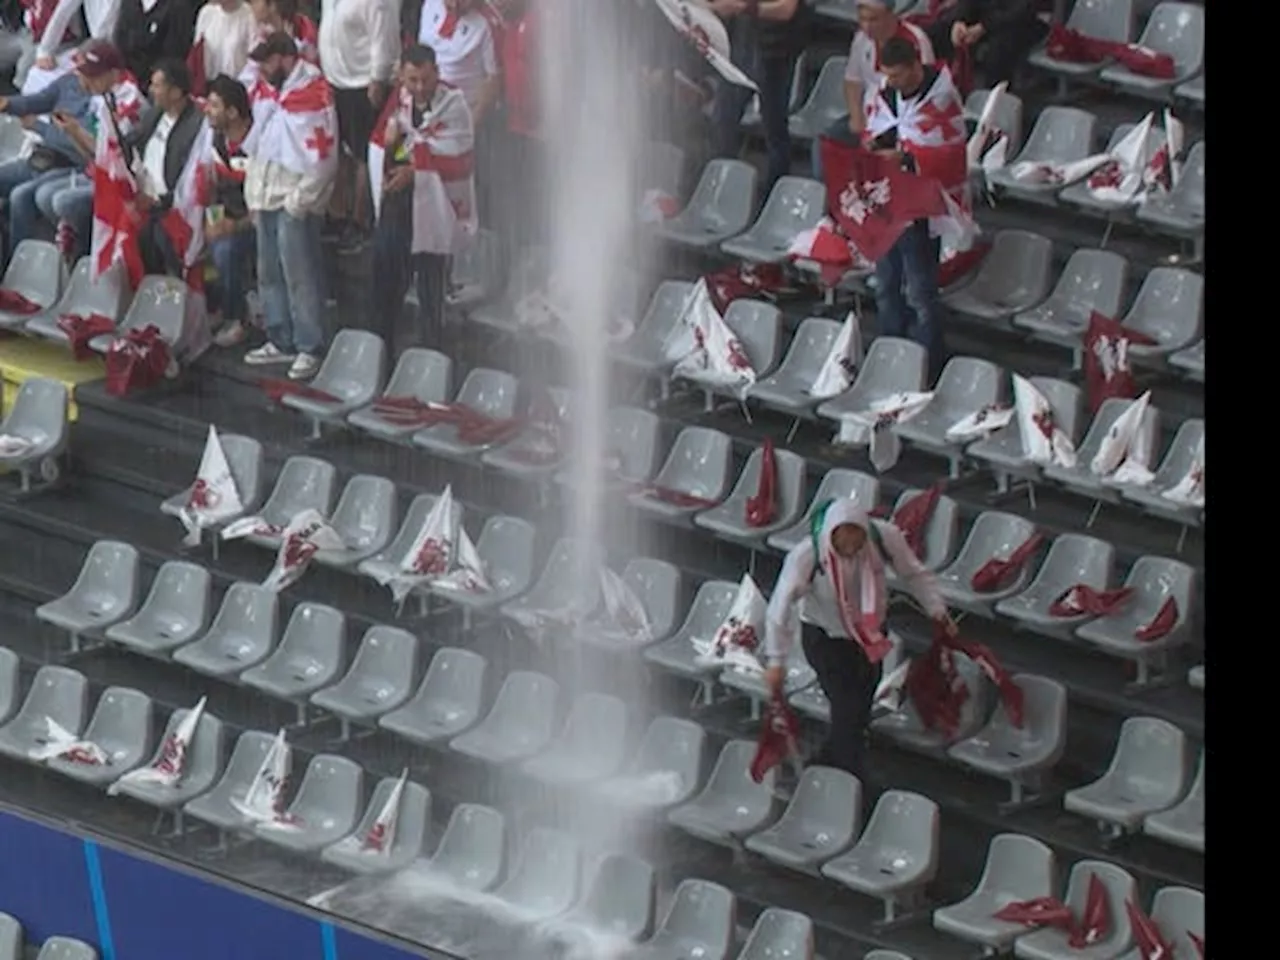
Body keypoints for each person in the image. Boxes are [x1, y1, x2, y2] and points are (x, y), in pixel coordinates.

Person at [764, 498, 954, 781]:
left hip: (869, 636)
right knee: (847, 708)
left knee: (859, 708)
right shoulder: (807, 556)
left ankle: (823, 764)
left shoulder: (884, 537)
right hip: (826, 638)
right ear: (831, 535)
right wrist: (776, 660)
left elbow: (914, 573)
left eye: (856, 537)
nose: (851, 546)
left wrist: (937, 610)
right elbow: (779, 607)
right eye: (843, 539)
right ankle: (851, 780)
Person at [864, 36, 966, 375]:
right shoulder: (885, 95)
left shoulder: (942, 98)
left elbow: (948, 152)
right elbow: (875, 128)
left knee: (921, 291)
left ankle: (930, 366)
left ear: (914, 66)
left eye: (897, 76)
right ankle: (891, 359)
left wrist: (906, 157)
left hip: (923, 211)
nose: (891, 83)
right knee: (887, 285)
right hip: (888, 206)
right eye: (887, 76)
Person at [240, 31, 337, 380]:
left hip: (293, 200)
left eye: (266, 60)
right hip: (266, 195)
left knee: (301, 276)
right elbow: (262, 144)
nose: (261, 68)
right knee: (269, 274)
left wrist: (300, 203)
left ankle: (310, 345)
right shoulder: (272, 93)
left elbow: (323, 160)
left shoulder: (311, 93)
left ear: (284, 57)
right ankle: (280, 340)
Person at [370, 43, 475, 354]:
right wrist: (389, 147)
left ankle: (433, 362)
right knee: (386, 286)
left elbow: (459, 155)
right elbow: (380, 145)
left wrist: (416, 171)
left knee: (431, 296)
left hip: (435, 209)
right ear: (401, 76)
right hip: (398, 209)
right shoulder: (398, 102)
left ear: (437, 73)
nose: (419, 87)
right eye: (412, 80)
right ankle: (382, 358)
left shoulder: (454, 105)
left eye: (426, 80)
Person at [17, 40, 141, 255]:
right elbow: (94, 155)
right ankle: (74, 253)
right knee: (42, 197)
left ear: (112, 73)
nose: (84, 81)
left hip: (127, 183)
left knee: (60, 200)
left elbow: (117, 159)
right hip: (98, 172)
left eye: (91, 75)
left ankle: (88, 252)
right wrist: (73, 131)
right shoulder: (101, 98)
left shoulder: (128, 100)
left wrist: (70, 132)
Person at [811, 0, 933, 179]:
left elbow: (927, 91)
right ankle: (827, 198)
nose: (867, 26)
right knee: (825, 142)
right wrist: (856, 116)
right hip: (868, 116)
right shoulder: (861, 39)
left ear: (890, 15)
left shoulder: (916, 40)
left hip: (903, 120)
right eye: (862, 19)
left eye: (873, 20)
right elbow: (852, 82)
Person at [317, 0, 398, 253]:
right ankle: (339, 217)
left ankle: (361, 221)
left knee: (363, 154)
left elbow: (382, 35)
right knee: (339, 151)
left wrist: (378, 78)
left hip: (362, 82)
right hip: (334, 80)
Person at [0, 45, 95, 248]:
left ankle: (20, 263)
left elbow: (76, 144)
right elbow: (39, 100)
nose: (78, 73)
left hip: (69, 164)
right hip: (41, 157)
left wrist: (39, 127)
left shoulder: (97, 99)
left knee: (21, 196)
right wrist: (8, 104)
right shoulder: (68, 82)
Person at [711, 0, 810, 195]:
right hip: (743, 42)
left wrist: (743, 8)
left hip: (776, 49)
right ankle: (722, 184)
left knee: (774, 127)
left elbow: (787, 9)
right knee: (723, 118)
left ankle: (775, 191)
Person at [124, 58, 207, 274]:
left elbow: (190, 181)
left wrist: (159, 201)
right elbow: (127, 144)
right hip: (142, 196)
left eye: (157, 85)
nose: (151, 91)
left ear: (176, 92)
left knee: (158, 233)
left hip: (171, 206)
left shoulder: (197, 126)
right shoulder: (155, 114)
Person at [202, 73, 257, 347]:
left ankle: (239, 318)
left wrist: (234, 226)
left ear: (233, 112)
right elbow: (214, 188)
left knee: (226, 249)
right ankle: (215, 307)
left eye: (214, 105)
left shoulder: (258, 143)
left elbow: (265, 204)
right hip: (229, 219)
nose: (207, 111)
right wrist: (213, 220)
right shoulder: (216, 141)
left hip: (259, 222)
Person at [928, 0, 1043, 88]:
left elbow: (1022, 10)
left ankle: (993, 101)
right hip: (983, 17)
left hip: (1019, 23)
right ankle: (936, 88)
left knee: (999, 48)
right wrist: (960, 21)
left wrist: (984, 27)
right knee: (939, 30)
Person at [114, 0, 199, 83]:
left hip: (158, 84)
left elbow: (174, 54)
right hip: (127, 79)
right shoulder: (129, 3)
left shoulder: (177, 6)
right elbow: (120, 39)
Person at [191, 0, 257, 85]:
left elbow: (253, 59)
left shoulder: (249, 15)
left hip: (236, 85)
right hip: (208, 84)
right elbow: (197, 51)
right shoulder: (207, 12)